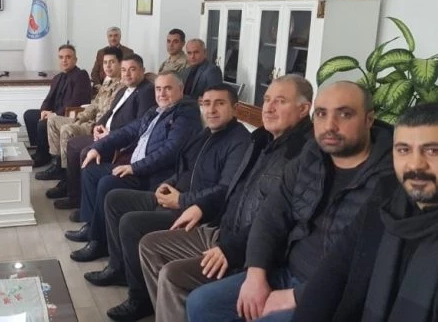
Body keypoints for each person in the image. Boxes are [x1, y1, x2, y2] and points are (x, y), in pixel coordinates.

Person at [185, 81, 397, 322]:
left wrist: (296, 296)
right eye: (321, 114)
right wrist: (256, 274)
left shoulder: (390, 178)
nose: (330, 125)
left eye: (345, 114)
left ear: (369, 119)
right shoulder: (311, 156)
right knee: (202, 303)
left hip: (333, 295)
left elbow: (368, 266)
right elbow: (271, 215)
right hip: (285, 271)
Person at [139, 74, 314, 322]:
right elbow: (231, 188)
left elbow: (278, 220)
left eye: (280, 101)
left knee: (172, 275)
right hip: (222, 228)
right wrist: (200, 205)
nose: (268, 108)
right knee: (150, 245)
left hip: (246, 248)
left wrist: (231, 248)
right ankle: (168, 312)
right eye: (266, 100)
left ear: (304, 109)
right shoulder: (261, 139)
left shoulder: (304, 155)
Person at [90, 84, 251, 321]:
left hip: (198, 211)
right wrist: (167, 184)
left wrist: (182, 200)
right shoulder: (206, 134)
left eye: (220, 103)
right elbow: (184, 168)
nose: (211, 110)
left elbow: (225, 190)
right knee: (115, 198)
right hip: (176, 195)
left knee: (131, 223)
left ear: (234, 108)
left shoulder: (239, 141)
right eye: (206, 104)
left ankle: (140, 299)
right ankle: (118, 268)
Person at [291, 103, 438, 322]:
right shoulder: (387, 196)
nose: (415, 165)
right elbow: (336, 268)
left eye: (432, 150)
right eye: (403, 150)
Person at [66, 71, 202, 262]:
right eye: (158, 89)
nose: (162, 93)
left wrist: (135, 168)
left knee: (107, 183)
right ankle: (91, 227)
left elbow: (169, 151)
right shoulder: (155, 111)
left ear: (181, 89)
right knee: (90, 170)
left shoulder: (186, 115)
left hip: (155, 175)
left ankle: (99, 243)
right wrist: (97, 147)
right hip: (138, 168)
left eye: (168, 89)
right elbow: (128, 131)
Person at [51, 54, 156, 210]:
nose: (127, 74)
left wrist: (110, 134)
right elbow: (109, 112)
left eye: (132, 69)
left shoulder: (146, 91)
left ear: (142, 70)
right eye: (124, 70)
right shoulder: (123, 90)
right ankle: (73, 194)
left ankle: (83, 202)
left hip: (119, 141)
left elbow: (139, 125)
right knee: (72, 144)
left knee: (84, 151)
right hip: (104, 133)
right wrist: (98, 126)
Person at [37, 47, 123, 182]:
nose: (107, 66)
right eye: (105, 62)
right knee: (52, 122)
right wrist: (80, 118)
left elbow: (110, 112)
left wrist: (88, 122)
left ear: (120, 63)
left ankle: (66, 175)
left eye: (112, 62)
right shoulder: (107, 81)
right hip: (86, 119)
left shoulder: (122, 85)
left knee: (67, 129)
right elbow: (94, 105)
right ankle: (57, 163)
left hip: (97, 126)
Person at [23, 44, 91, 167]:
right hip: (54, 112)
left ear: (75, 60)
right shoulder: (57, 77)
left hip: (70, 115)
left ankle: (43, 156)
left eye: (68, 57)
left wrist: (54, 114)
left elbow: (75, 102)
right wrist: (44, 111)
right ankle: (40, 149)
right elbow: (48, 99)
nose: (64, 60)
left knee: (43, 124)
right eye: (61, 57)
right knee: (29, 115)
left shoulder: (81, 75)